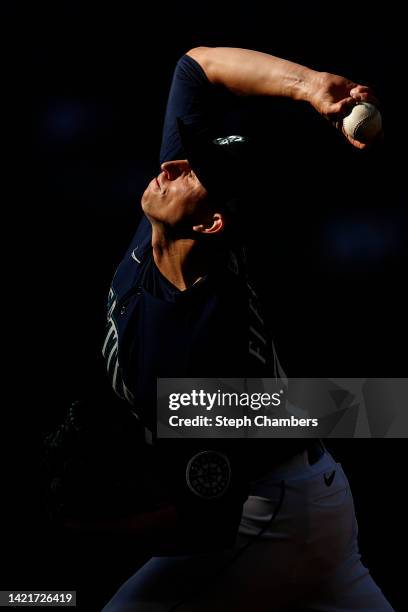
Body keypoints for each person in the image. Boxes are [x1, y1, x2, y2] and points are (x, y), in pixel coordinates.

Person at [96, 47, 392, 610]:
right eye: (184, 158)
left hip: (271, 509)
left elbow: (208, 517)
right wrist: (309, 86)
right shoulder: (176, 223)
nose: (171, 166)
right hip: (302, 490)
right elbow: (195, 66)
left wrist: (89, 531)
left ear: (211, 223)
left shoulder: (197, 341)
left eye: (192, 170)